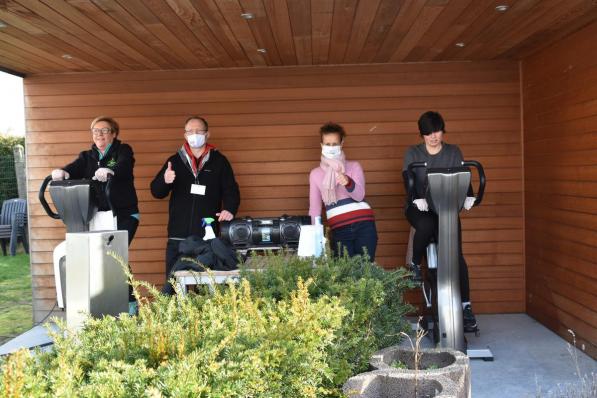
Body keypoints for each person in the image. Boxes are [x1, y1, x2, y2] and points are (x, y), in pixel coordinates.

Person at [51, 116, 140, 312]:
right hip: (98, 215)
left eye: (104, 130)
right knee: (102, 258)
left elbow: (124, 166)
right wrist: (63, 172)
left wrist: (111, 170)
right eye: (95, 131)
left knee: (117, 256)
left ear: (114, 133)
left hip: (123, 214)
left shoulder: (123, 150)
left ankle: (131, 305)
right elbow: (73, 168)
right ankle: (105, 304)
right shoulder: (87, 156)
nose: (99, 134)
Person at [402, 110, 477, 332]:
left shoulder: (453, 152)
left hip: (445, 208)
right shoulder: (413, 153)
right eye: (428, 133)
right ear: (422, 135)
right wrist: (416, 197)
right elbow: (408, 178)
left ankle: (465, 307)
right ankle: (415, 264)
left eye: (437, 131)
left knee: (456, 256)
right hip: (419, 207)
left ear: (443, 131)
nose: (434, 136)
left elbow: (464, 174)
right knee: (425, 225)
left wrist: (469, 195)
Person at [150, 116, 240, 280]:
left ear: (207, 134)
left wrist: (229, 209)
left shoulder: (219, 161)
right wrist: (165, 180)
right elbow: (156, 192)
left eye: (199, 131)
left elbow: (231, 190)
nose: (194, 135)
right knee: (173, 281)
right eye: (190, 131)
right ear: (185, 135)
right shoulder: (174, 161)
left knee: (206, 281)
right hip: (178, 235)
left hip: (206, 235)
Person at [309, 122, 378, 260]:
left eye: (335, 144)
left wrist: (348, 182)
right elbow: (315, 209)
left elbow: (360, 195)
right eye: (327, 144)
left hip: (364, 225)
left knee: (366, 272)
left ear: (342, 143)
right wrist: (315, 237)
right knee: (344, 275)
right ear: (321, 145)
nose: (331, 147)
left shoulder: (354, 166)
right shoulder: (315, 174)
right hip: (339, 229)